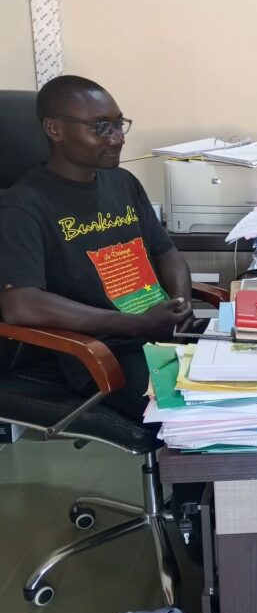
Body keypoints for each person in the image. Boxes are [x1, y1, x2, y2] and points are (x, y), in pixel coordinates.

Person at [0, 74, 193, 418]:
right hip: (101, 353)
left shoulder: (123, 182)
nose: (118, 138)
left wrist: (179, 306)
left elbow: (166, 253)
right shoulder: (23, 205)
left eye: (119, 124)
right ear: (55, 129)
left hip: (159, 334)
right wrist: (135, 324)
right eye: (102, 127)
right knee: (194, 413)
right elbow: (20, 305)